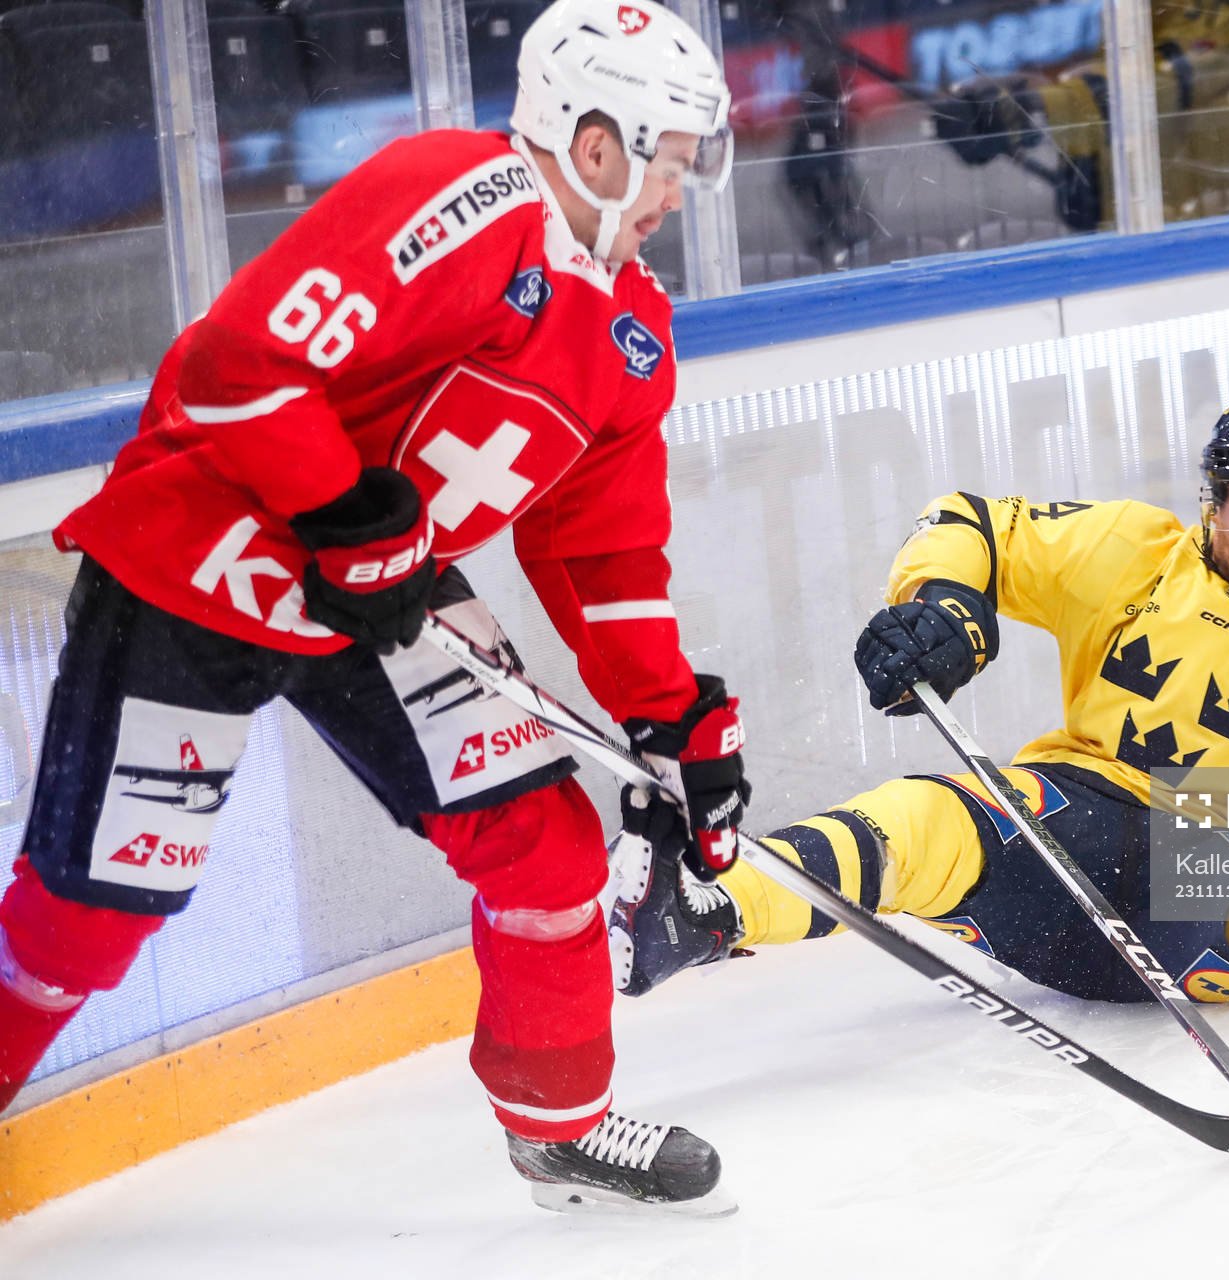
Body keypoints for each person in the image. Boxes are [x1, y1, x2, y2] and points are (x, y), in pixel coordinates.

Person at [0, 0, 751, 1215]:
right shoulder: (462, 194)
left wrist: (673, 717)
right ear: (596, 143)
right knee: (88, 912)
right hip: (205, 558)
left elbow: (601, 549)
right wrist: (347, 510)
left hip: (382, 590)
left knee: (546, 840)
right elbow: (239, 365)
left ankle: (559, 1128)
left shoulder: (630, 330)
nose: (677, 190)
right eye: (667, 160)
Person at [608, 400, 1229, 1061]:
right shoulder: (1134, 553)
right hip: (1060, 855)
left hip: (1205, 901)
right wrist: (945, 604)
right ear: (1213, 504)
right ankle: (704, 910)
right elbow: (969, 521)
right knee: (928, 815)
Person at [930, 0, 1229, 231]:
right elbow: (1129, 107)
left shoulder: (1220, 11)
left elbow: (1181, 76)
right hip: (1184, 248)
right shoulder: (1129, 15)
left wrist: (1034, 106)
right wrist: (1091, 175)